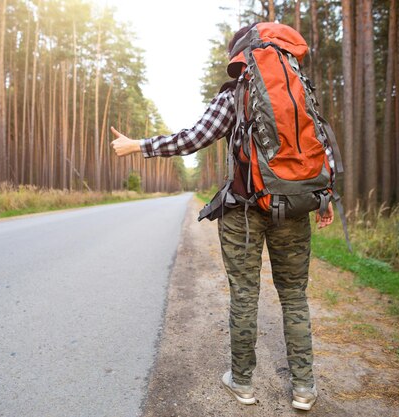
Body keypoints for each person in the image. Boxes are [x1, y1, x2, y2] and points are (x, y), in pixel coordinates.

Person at [110, 24, 334, 412]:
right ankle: (304, 388)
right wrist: (324, 200)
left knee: (245, 295)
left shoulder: (237, 94)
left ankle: (243, 384)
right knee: (295, 297)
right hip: (295, 209)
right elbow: (322, 152)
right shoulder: (302, 92)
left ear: (241, 56)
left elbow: (194, 137)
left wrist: (139, 146)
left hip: (245, 213)